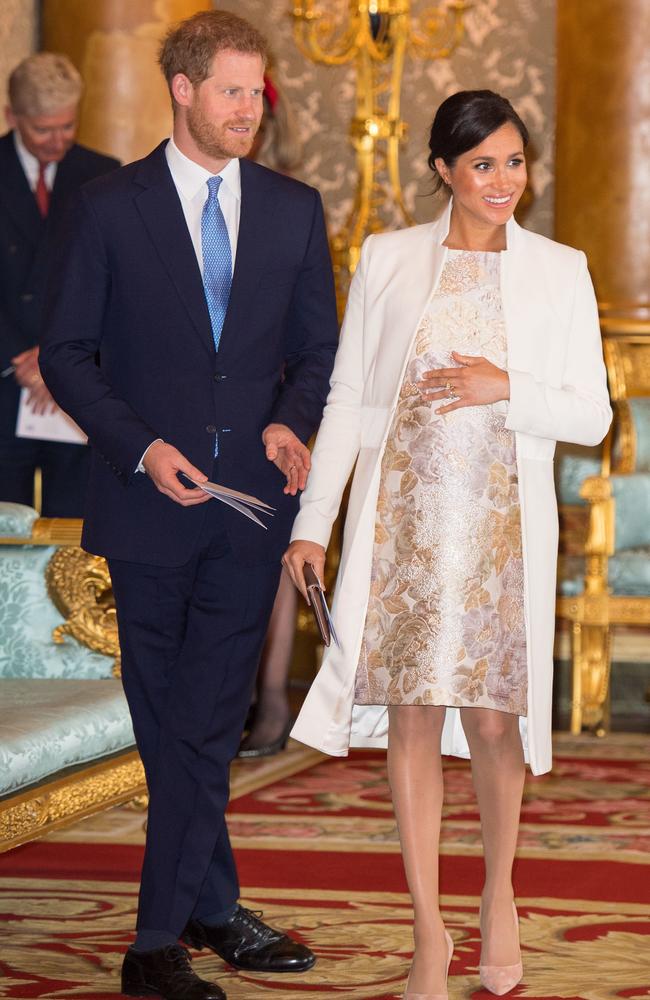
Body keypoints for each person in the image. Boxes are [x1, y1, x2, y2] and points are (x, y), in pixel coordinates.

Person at [283, 90, 612, 999]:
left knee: (496, 725)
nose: (505, 181)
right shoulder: (387, 259)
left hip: (502, 532)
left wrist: (505, 384)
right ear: (444, 171)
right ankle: (428, 928)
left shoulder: (560, 269)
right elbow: (348, 400)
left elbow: (592, 414)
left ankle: (497, 894)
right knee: (414, 720)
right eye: (484, 165)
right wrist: (315, 526)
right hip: (407, 533)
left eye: (515, 162)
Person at [40, 10, 338, 1000]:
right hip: (145, 500)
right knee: (169, 716)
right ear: (182, 88)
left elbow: (316, 353)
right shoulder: (107, 207)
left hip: (249, 506)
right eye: (230, 91)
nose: (248, 110)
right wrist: (143, 446)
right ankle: (211, 909)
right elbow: (69, 354)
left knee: (205, 720)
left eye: (256, 93)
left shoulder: (295, 210)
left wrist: (290, 421)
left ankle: (153, 942)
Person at [0, 53, 119, 516]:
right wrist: (22, 360)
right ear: (13, 116)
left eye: (67, 127)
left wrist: (58, 357)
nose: (58, 141)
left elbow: (116, 280)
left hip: (73, 385)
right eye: (44, 130)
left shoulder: (104, 174)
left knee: (73, 533)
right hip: (8, 381)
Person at [239, 70, 304, 758]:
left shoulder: (290, 203)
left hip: (283, 406)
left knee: (275, 557)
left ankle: (276, 695)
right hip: (209, 413)